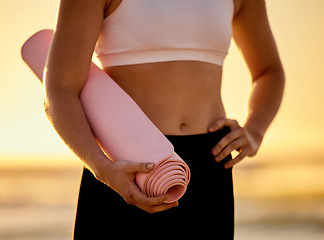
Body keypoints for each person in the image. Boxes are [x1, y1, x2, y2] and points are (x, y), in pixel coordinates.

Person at [43, 0, 285, 239]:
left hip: (210, 162)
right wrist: (102, 168)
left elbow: (269, 71)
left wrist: (255, 131)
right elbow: (60, 88)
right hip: (125, 167)